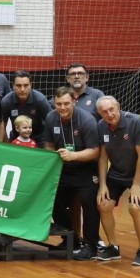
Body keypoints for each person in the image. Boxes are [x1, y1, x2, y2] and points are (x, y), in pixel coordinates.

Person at [42, 87, 101, 261]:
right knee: (53, 202)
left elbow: (95, 151)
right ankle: (72, 239)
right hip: (63, 169)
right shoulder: (51, 118)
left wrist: (73, 156)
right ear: (54, 103)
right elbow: (49, 145)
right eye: (59, 104)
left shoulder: (87, 120)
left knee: (89, 203)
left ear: (74, 101)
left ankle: (91, 245)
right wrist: (52, 156)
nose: (63, 107)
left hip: (86, 168)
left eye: (66, 103)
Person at [96, 96, 140, 266]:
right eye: (104, 112)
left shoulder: (135, 122)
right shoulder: (101, 126)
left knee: (134, 207)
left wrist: (136, 185)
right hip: (116, 172)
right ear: (100, 114)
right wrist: (102, 185)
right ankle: (113, 247)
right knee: (103, 205)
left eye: (111, 109)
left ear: (118, 107)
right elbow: (103, 157)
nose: (109, 114)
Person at [0, 71, 51, 143]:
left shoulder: (40, 100)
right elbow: (2, 126)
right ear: (13, 86)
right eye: (18, 86)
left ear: (31, 85)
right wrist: (7, 145)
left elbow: (51, 123)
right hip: (16, 138)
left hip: (39, 139)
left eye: (26, 85)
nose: (22, 89)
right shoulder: (6, 101)